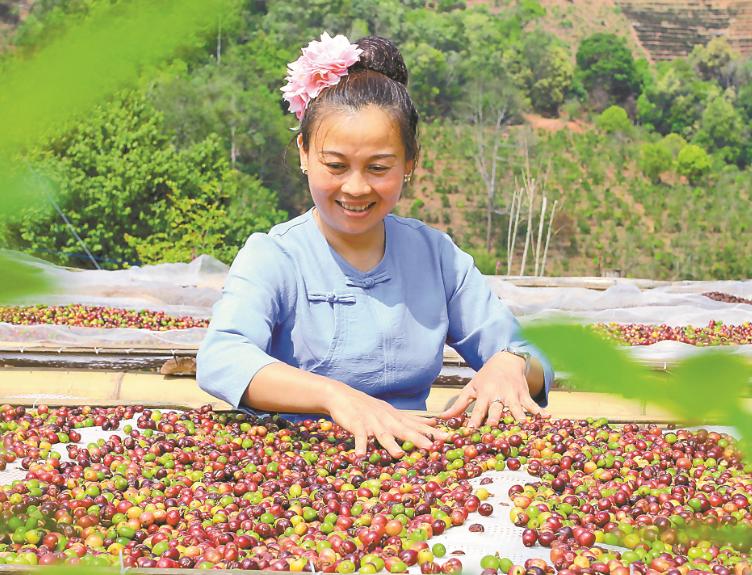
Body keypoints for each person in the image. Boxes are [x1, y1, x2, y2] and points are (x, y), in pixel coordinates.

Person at [197, 33, 554, 458]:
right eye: (335, 165)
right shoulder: (275, 256)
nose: (356, 187)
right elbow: (222, 357)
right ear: (304, 153)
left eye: (379, 168)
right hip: (298, 463)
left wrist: (512, 364)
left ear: (410, 162)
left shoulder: (436, 257)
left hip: (413, 461)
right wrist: (336, 397)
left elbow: (531, 352)